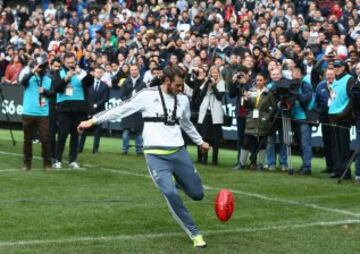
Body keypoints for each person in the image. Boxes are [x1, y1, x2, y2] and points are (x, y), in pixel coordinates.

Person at [77, 66, 209, 248]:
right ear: (167, 81)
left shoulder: (183, 99)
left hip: (179, 152)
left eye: (182, 85)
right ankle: (194, 233)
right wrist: (92, 121)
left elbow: (186, 124)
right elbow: (121, 109)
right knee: (170, 193)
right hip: (155, 155)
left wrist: (200, 142)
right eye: (178, 85)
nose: (181, 88)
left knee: (198, 194)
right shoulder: (146, 95)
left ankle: (178, 181)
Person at [52, 52, 90, 169]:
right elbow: (57, 88)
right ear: (64, 62)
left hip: (79, 108)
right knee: (62, 134)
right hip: (64, 108)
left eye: (72, 62)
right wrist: (67, 77)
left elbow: (90, 83)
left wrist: (81, 74)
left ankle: (72, 160)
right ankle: (57, 159)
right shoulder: (59, 72)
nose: (70, 64)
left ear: (75, 61)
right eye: (68, 63)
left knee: (75, 135)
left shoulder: (81, 71)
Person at [20, 54, 52, 170]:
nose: (40, 68)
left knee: (45, 139)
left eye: (42, 66)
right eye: (39, 66)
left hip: (43, 114)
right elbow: (22, 82)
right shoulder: (29, 77)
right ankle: (27, 163)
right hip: (28, 112)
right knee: (27, 139)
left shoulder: (48, 79)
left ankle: (47, 163)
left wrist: (45, 91)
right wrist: (32, 71)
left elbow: (53, 95)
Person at [238, 73, 276, 170]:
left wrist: (266, 118)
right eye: (257, 80)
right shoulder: (251, 91)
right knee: (246, 142)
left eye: (260, 80)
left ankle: (260, 165)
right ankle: (241, 164)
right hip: (251, 120)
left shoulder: (269, 93)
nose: (258, 82)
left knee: (262, 144)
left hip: (262, 122)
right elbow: (246, 106)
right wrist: (245, 99)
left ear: (264, 81)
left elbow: (273, 108)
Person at [328, 60, 354, 179]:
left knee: (344, 146)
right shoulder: (335, 80)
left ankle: (345, 171)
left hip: (343, 117)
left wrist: (344, 113)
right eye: (335, 66)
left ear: (344, 68)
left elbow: (352, 99)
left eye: (338, 66)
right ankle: (338, 169)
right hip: (333, 116)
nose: (336, 68)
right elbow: (333, 98)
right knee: (335, 145)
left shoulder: (349, 79)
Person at [197, 66, 225, 165]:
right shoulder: (206, 81)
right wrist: (207, 83)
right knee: (204, 136)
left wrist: (213, 85)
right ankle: (203, 158)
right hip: (205, 113)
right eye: (212, 72)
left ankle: (214, 159)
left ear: (218, 74)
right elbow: (201, 94)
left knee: (216, 138)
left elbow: (219, 97)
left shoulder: (221, 83)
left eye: (216, 72)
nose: (214, 74)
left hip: (216, 113)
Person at [78, 66, 110, 153]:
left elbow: (105, 98)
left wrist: (96, 104)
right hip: (88, 110)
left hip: (99, 111)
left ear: (102, 74)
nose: (98, 74)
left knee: (97, 132)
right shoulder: (89, 83)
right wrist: (90, 105)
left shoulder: (105, 86)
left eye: (100, 72)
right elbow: (85, 95)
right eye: (97, 72)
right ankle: (79, 148)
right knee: (84, 130)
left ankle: (95, 149)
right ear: (94, 73)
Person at [120, 64, 146, 155]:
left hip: (138, 110)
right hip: (128, 109)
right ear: (130, 71)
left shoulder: (143, 83)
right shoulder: (126, 82)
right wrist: (127, 102)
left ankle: (139, 150)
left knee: (139, 131)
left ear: (138, 70)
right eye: (132, 70)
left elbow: (145, 96)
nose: (134, 71)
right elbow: (121, 95)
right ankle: (124, 149)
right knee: (126, 131)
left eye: (135, 69)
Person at [314, 68, 335, 174]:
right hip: (324, 119)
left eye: (332, 74)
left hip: (336, 119)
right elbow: (316, 102)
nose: (330, 76)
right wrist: (319, 111)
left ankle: (337, 167)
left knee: (335, 144)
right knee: (326, 143)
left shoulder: (338, 85)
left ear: (335, 75)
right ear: (325, 75)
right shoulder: (320, 86)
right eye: (328, 74)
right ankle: (329, 166)